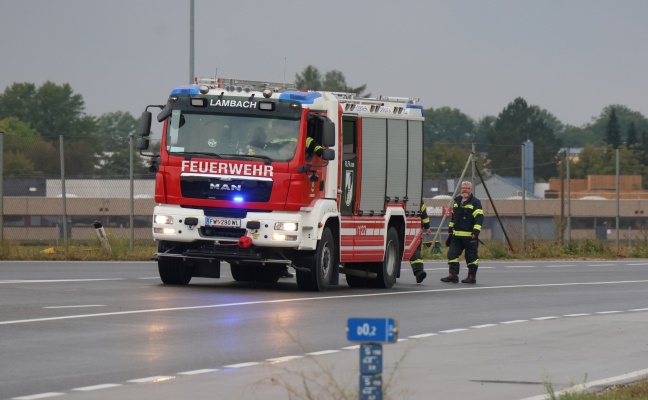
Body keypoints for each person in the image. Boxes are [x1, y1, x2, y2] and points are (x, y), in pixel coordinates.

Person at [442, 181, 484, 284]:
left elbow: (479, 219)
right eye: (463, 188)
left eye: (467, 188)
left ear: (471, 190)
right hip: (456, 236)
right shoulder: (457, 201)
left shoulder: (475, 202)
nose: (464, 189)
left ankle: (471, 277)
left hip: (470, 237)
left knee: (471, 258)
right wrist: (450, 230)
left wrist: (476, 232)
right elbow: (453, 217)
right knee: (452, 255)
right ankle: (453, 276)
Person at [410, 202, 431, 283]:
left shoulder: (419, 201)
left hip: (413, 228)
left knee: (414, 250)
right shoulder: (418, 200)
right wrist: (427, 227)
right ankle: (419, 272)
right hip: (414, 227)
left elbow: (424, 215)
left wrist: (427, 227)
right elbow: (424, 215)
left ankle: (419, 272)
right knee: (415, 249)